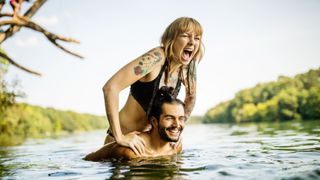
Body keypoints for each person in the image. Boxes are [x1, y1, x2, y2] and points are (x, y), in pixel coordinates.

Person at [103, 17, 204, 156]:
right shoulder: (156, 58)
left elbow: (191, 98)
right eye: (185, 36)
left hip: (150, 146)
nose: (192, 42)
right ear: (172, 39)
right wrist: (119, 136)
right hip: (122, 143)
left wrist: (176, 131)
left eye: (197, 38)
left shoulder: (187, 68)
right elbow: (111, 88)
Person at [85, 86, 186, 161]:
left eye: (181, 119)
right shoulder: (132, 152)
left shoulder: (176, 148)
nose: (177, 124)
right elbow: (89, 159)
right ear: (154, 121)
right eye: (169, 118)